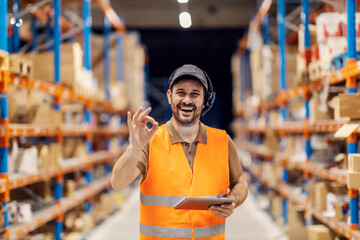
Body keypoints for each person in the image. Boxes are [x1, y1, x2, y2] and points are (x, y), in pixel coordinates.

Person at [111, 64, 248, 240]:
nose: (187, 100)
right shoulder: (150, 141)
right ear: (170, 96)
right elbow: (118, 183)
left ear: (204, 99)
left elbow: (240, 182)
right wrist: (134, 147)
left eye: (195, 94)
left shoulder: (222, 141)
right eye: (181, 93)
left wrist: (233, 200)